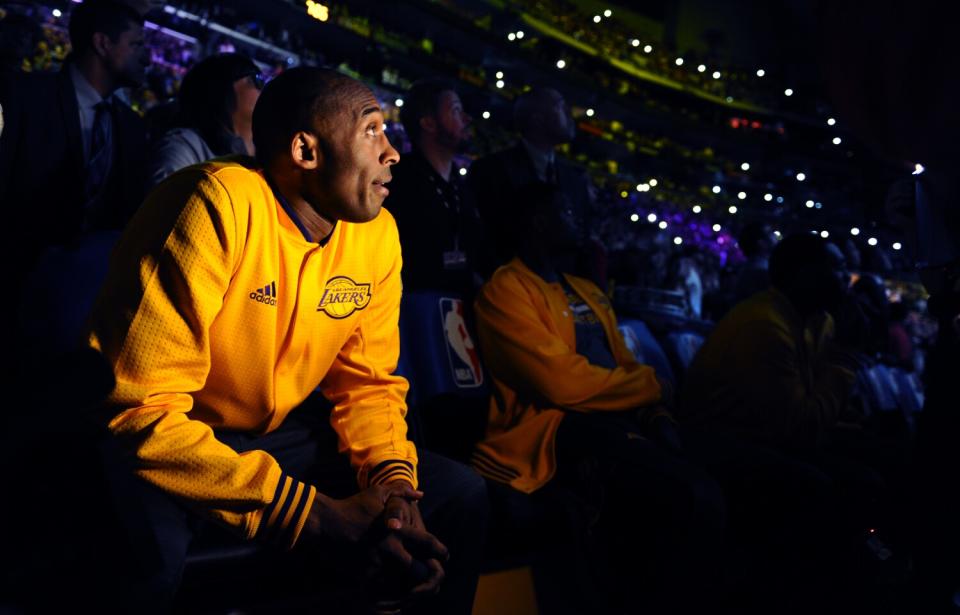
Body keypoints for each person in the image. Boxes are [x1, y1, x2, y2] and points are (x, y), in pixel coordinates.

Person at [86, 66, 486, 613]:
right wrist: (311, 513)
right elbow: (139, 413)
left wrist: (393, 482)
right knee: (150, 570)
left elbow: (369, 386)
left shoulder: (377, 235)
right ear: (306, 150)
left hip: (267, 434)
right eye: (372, 131)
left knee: (457, 494)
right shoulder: (211, 204)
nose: (391, 153)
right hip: (168, 434)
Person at [471, 182, 724, 613]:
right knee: (691, 494)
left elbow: (623, 363)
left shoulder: (587, 291)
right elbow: (560, 384)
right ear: (537, 223)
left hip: (619, 419)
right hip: (551, 432)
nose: (581, 218)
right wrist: (651, 388)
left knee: (712, 474)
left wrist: (655, 412)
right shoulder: (506, 290)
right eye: (567, 210)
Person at [0, 0, 149, 276]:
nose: (147, 58)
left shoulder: (131, 127)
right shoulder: (23, 97)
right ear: (103, 44)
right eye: (137, 45)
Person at [468, 87, 594, 275]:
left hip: (561, 293)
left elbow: (582, 244)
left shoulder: (575, 180)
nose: (570, 113)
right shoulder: (491, 171)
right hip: (506, 288)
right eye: (561, 106)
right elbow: (481, 237)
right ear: (538, 118)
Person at [387, 78, 486, 297]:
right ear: (429, 123)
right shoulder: (397, 181)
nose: (466, 119)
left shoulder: (461, 187)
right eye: (455, 111)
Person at [147, 53, 263, 187]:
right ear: (221, 87)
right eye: (256, 79)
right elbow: (165, 203)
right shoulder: (184, 148)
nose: (264, 89)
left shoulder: (267, 158)